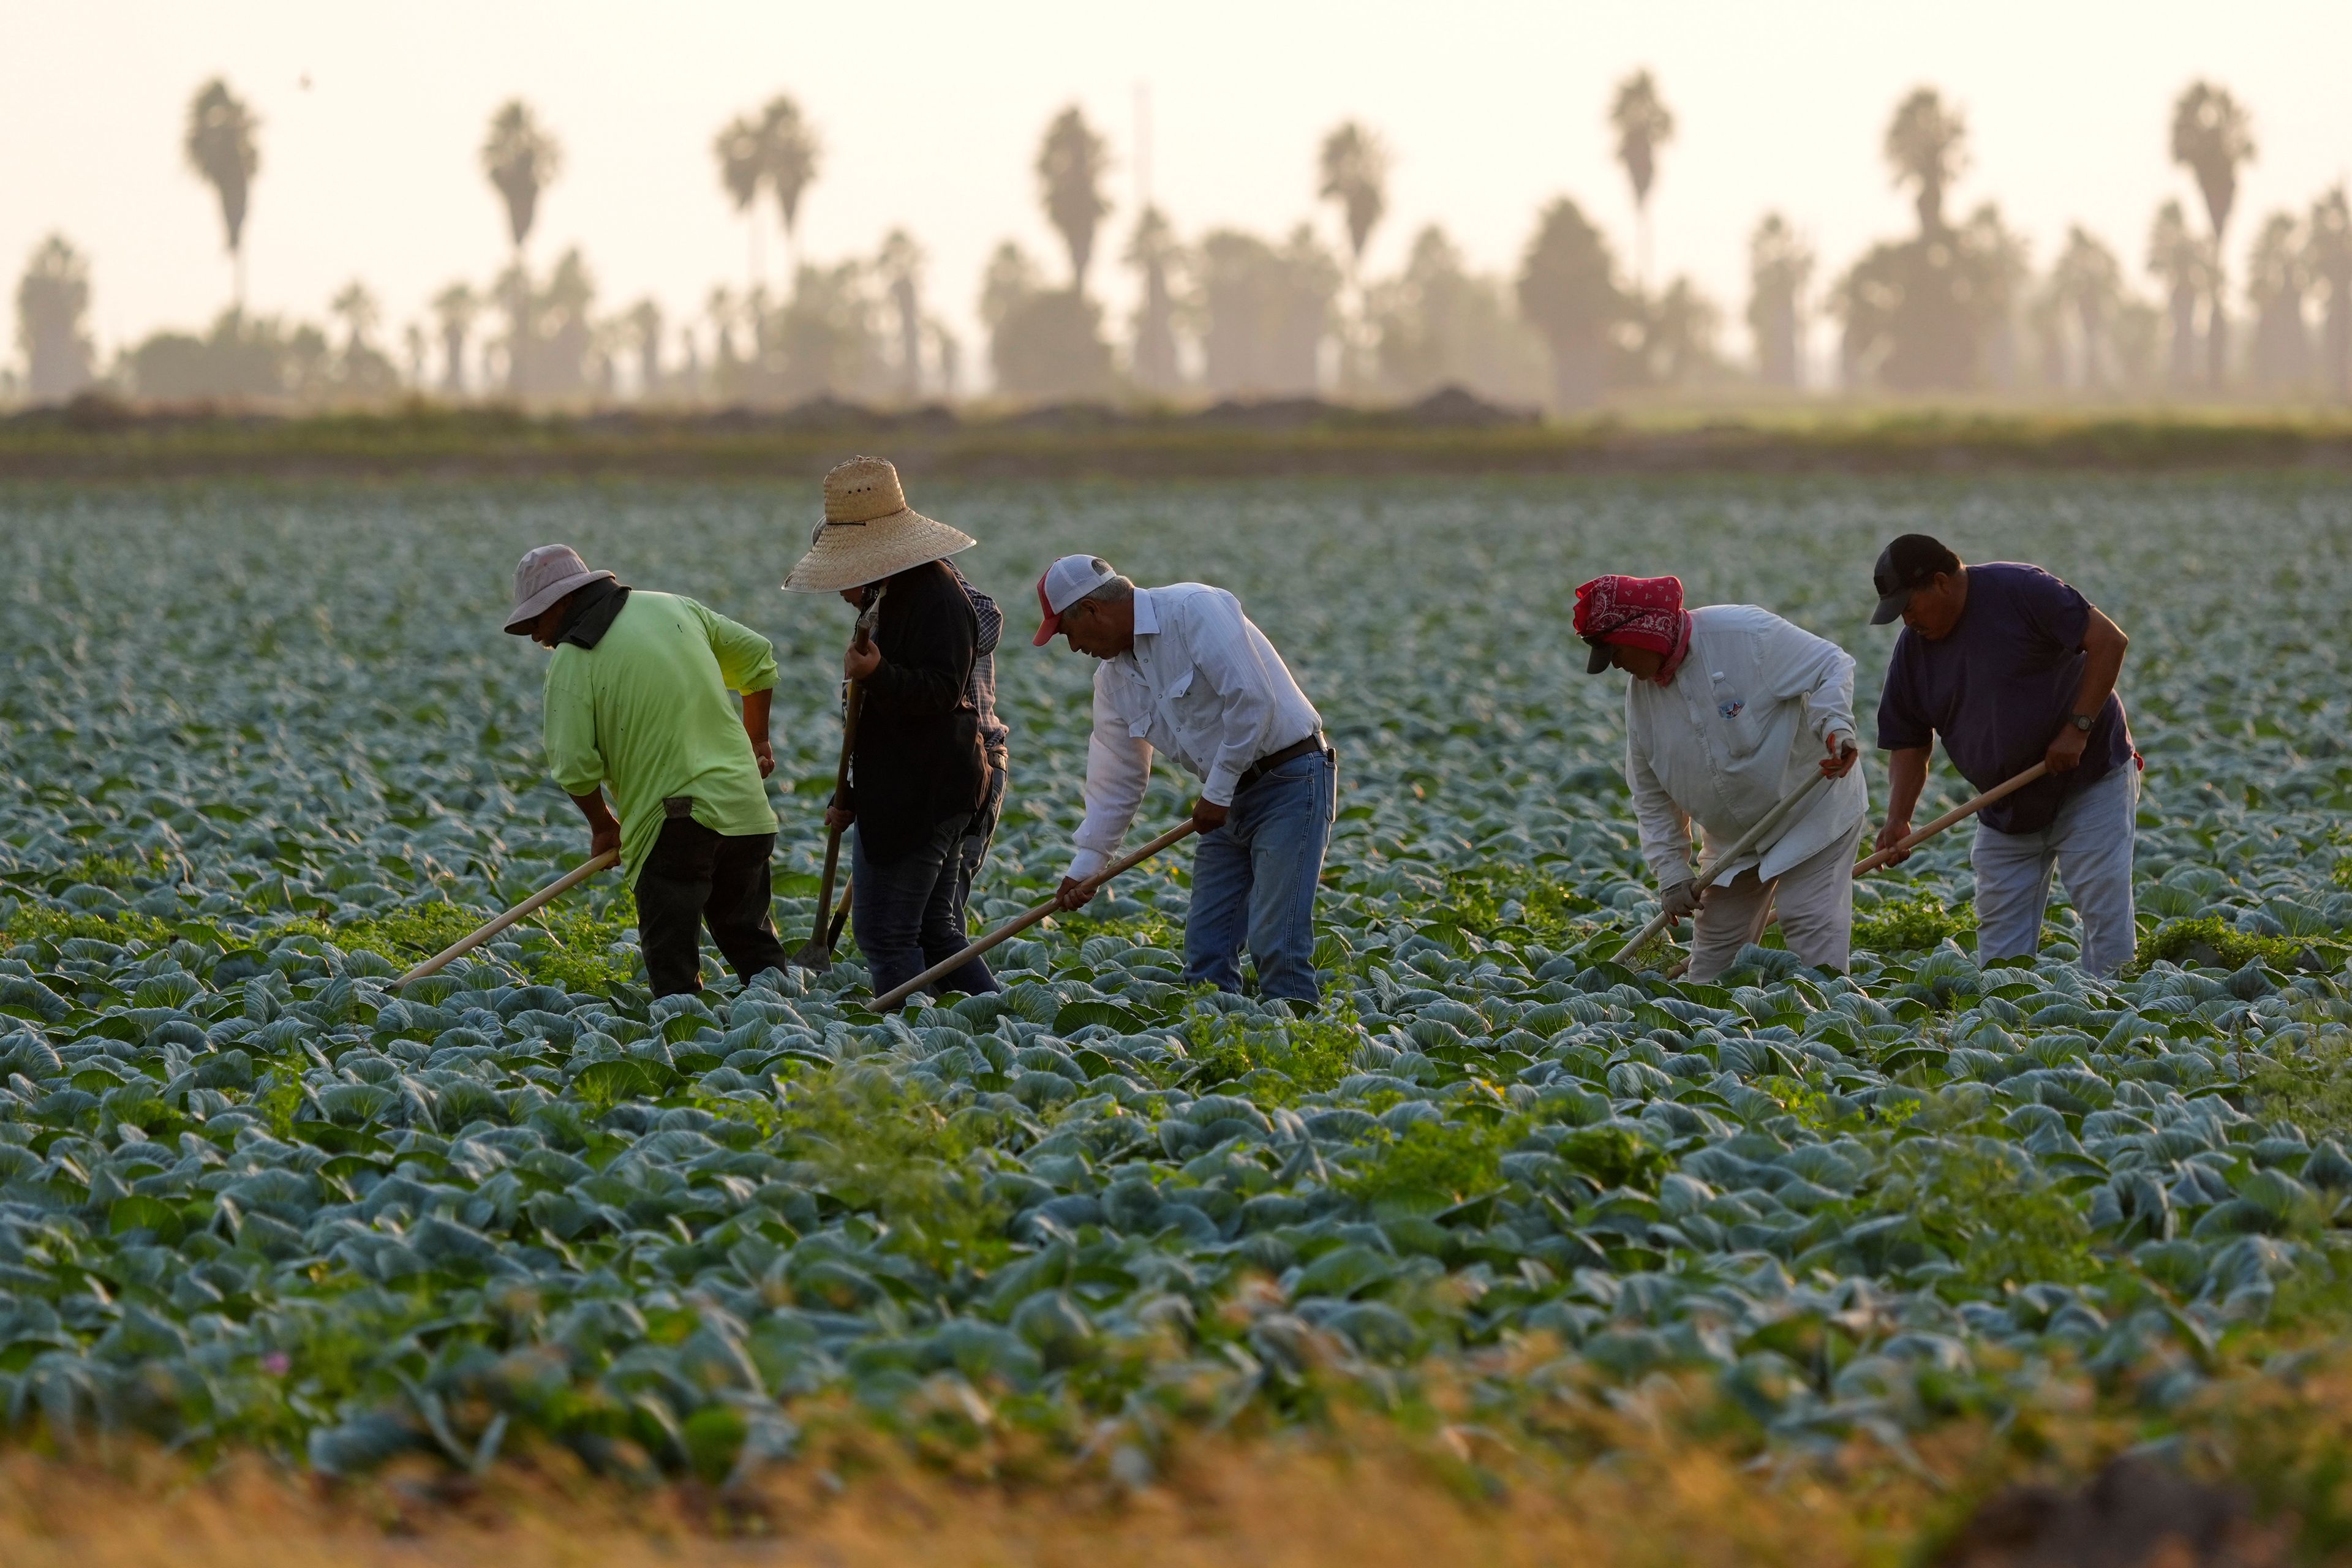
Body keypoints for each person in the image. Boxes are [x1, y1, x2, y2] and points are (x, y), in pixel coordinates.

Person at [1036, 555, 1335, 1005]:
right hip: (1225, 803)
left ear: (1093, 610)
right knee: (1206, 952)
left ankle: (1301, 1055)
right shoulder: (1114, 680)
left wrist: (1216, 793)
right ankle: (1218, 1051)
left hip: (1289, 781)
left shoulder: (1195, 609)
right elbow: (1117, 776)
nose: (1073, 647)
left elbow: (1253, 701)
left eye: (1066, 632)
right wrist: (1087, 866)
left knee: (1277, 943)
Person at [506, 543, 788, 998]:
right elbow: (758, 659)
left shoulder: (574, 660)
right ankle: (793, 1041)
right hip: (745, 809)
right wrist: (757, 740)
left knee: (673, 971)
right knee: (756, 949)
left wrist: (604, 825)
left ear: (564, 602)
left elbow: (574, 766)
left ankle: (684, 1060)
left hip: (674, 823)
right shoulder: (673, 606)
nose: (539, 638)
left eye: (537, 622)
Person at [1868, 533, 2137, 975]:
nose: (1907, 622)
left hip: (2089, 780)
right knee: (1999, 947)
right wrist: (1898, 817)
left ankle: (2117, 1021)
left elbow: (2110, 641)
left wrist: (2078, 729)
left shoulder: (2022, 590)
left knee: (2102, 908)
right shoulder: (1914, 651)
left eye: (1909, 608)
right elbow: (1909, 740)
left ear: (1940, 582)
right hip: (2004, 803)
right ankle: (2014, 1033)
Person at [1576, 573, 1866, 979]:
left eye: (1617, 652)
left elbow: (1830, 664)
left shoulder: (1745, 634)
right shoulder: (1641, 697)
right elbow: (1651, 793)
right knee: (1711, 969)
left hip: (1811, 811)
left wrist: (1835, 729)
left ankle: (1832, 1030)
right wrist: (1673, 873)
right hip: (1735, 843)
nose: (1618, 665)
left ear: (1643, 634)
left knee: (1810, 928)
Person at [785, 456, 997, 1005]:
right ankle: (992, 1023)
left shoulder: (937, 597)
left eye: (843, 576)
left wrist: (878, 673)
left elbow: (941, 694)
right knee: (935, 932)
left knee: (885, 933)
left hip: (924, 795)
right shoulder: (893, 598)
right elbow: (880, 725)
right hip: (915, 787)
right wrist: (852, 793)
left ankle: (908, 1048)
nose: (839, 591)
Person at [944, 559, 1010, 951]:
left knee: (941, 917)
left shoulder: (943, 588)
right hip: (925, 772)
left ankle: (946, 996)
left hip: (974, 763)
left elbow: (987, 620)